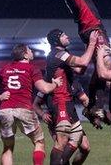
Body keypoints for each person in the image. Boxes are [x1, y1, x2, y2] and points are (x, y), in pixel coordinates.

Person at [53, 0, 111, 128]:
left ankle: (93, 106)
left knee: (102, 67)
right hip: (90, 28)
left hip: (96, 26)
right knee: (106, 64)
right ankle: (96, 105)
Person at [0, 44, 62, 165]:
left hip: (5, 110)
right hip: (23, 109)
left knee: (7, 147)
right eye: (29, 50)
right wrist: (55, 84)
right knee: (39, 142)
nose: (32, 51)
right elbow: (44, 88)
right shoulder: (31, 68)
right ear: (25, 54)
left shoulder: (5, 68)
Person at [45, 29, 97, 165]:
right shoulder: (58, 54)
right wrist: (92, 43)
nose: (67, 36)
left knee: (82, 143)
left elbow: (80, 69)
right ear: (56, 40)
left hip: (68, 103)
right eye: (63, 35)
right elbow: (83, 62)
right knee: (61, 142)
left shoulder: (62, 56)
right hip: (60, 101)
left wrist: (88, 49)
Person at [33, 81, 90, 165]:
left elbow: (85, 99)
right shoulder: (49, 85)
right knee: (62, 150)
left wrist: (90, 109)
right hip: (55, 122)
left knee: (85, 147)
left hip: (73, 121)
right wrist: (42, 114)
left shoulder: (73, 83)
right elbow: (35, 104)